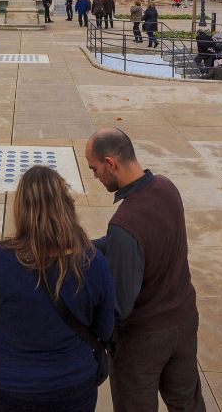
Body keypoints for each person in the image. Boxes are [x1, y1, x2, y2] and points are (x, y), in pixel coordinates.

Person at [0, 166, 115, 412]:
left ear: (22, 209)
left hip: (10, 387)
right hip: (73, 386)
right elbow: (105, 328)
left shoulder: (3, 257)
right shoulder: (94, 262)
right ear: (66, 204)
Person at [84, 128, 205, 412]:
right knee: (188, 404)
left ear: (111, 163)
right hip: (184, 322)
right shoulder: (166, 188)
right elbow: (140, 241)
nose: (95, 177)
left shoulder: (125, 222)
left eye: (95, 169)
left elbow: (119, 306)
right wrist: (83, 245)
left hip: (143, 340)